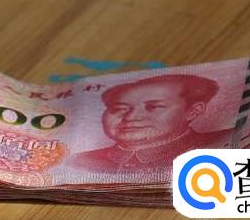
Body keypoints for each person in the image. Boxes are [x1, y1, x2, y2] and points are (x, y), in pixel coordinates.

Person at [70, 74, 232, 173]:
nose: (131, 117)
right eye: (119, 109)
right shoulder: (81, 161)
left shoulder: (224, 143)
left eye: (153, 107)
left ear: (193, 111)